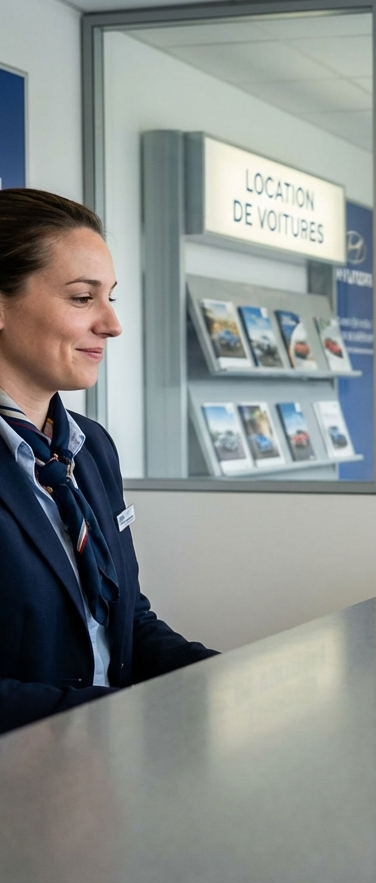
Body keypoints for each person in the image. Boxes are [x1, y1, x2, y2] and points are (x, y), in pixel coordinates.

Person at [0, 188, 216, 736]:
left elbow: (124, 621)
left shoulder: (89, 447)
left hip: (100, 776)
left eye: (110, 297)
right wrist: (112, 721)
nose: (112, 324)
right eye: (81, 299)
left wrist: (229, 681)